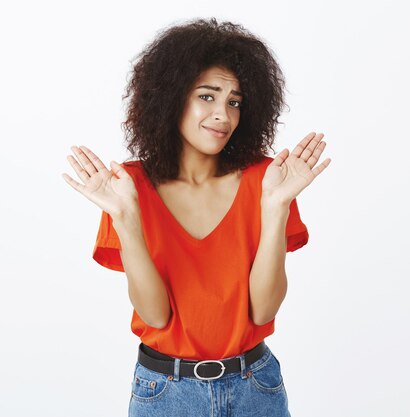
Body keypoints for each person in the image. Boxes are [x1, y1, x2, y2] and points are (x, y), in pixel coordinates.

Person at [61, 17, 330, 417]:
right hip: (164, 393)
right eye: (207, 96)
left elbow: (264, 312)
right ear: (171, 96)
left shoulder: (268, 181)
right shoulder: (126, 187)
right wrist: (125, 218)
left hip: (255, 387)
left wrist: (275, 208)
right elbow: (155, 315)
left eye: (234, 102)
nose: (223, 114)